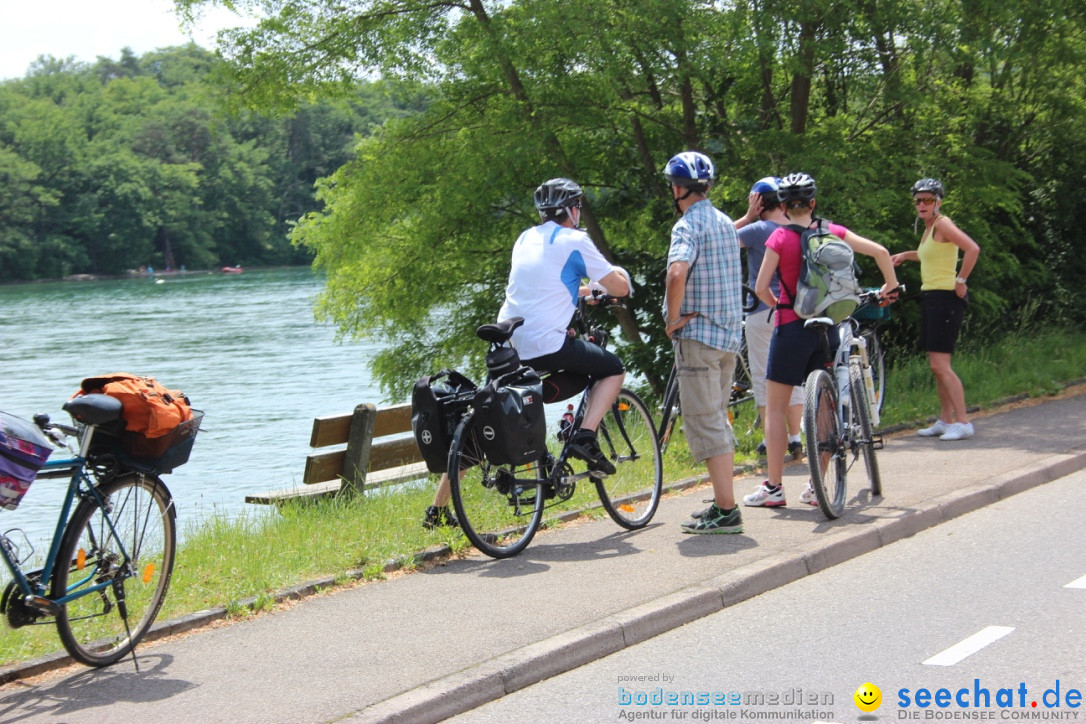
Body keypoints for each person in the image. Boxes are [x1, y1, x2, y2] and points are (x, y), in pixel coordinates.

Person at [422, 177, 631, 529]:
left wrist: (581, 293)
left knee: (482, 416)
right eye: (578, 205)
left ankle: (438, 509)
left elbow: (542, 287)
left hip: (508, 344)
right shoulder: (575, 240)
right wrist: (605, 287)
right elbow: (620, 287)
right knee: (612, 369)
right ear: (572, 209)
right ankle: (584, 436)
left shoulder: (525, 238)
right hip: (548, 346)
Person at [745, 172, 899, 508]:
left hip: (790, 329)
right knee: (825, 403)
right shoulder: (833, 231)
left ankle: (774, 487)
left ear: (784, 206)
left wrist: (780, 308)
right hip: (829, 327)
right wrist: (890, 288)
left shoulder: (779, 238)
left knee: (775, 408)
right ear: (813, 203)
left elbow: (759, 288)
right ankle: (818, 487)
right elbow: (882, 252)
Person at [661, 151, 746, 535]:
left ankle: (727, 510)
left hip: (698, 338)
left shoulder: (687, 227)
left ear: (678, 189)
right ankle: (722, 501)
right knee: (717, 416)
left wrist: (672, 318)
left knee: (705, 419)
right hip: (729, 338)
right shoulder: (726, 222)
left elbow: (677, 272)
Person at [890, 178, 980, 441]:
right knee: (936, 365)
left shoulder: (942, 223)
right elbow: (929, 255)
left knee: (941, 365)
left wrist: (961, 280)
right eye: (918, 200)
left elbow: (972, 248)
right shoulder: (930, 228)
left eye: (928, 200)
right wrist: (906, 255)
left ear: (938, 202)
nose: (922, 204)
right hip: (931, 297)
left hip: (945, 298)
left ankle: (963, 422)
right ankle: (945, 419)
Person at [735, 176, 805, 461]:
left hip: (763, 311)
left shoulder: (757, 229)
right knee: (794, 376)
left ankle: (769, 439)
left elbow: (716, 240)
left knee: (764, 377)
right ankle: (797, 436)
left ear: (759, 201)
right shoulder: (799, 229)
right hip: (795, 310)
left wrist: (747, 216)